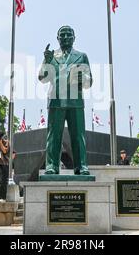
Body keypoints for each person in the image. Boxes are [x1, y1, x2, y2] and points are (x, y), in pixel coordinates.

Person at [38, 26, 93, 175]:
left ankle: (81, 166)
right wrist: (47, 62)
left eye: (69, 34)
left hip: (75, 100)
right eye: (62, 35)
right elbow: (42, 78)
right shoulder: (51, 55)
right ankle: (52, 166)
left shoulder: (82, 56)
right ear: (58, 38)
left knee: (78, 135)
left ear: (74, 38)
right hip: (56, 100)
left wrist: (84, 79)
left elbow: (89, 81)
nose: (66, 37)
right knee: (54, 136)